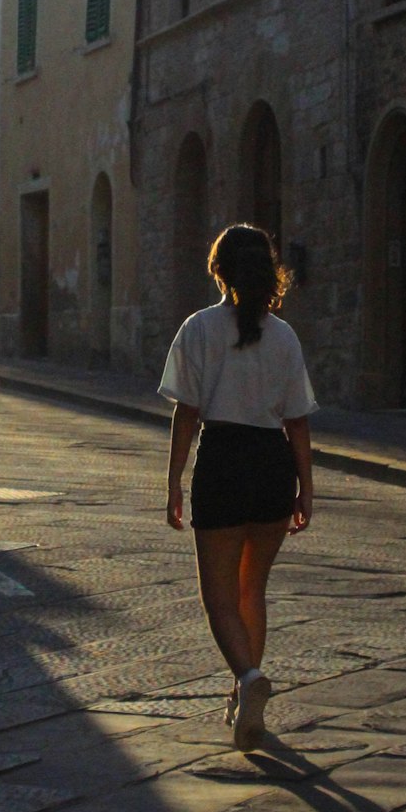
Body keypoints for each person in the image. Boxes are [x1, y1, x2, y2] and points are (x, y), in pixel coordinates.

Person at [160, 224, 316, 750]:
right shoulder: (285, 336)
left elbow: (188, 412)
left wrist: (175, 480)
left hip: (223, 461)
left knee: (219, 594)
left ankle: (248, 679)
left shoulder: (199, 329)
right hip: (274, 464)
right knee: (254, 589)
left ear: (218, 270)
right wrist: (306, 490)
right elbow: (298, 421)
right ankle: (243, 690)